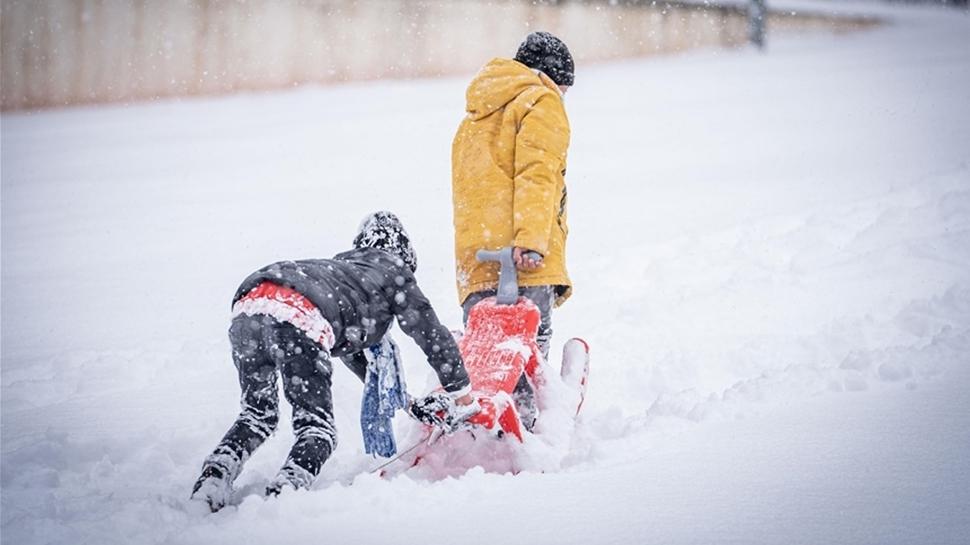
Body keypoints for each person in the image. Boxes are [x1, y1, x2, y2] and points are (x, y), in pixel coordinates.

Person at [191, 211, 476, 512]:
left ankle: (213, 480)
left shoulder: (343, 275)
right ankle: (284, 494)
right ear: (405, 255)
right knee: (318, 431)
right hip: (298, 314)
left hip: (250, 305)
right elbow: (431, 334)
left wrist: (409, 403)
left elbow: (360, 361)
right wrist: (463, 396)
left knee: (257, 415)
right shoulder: (393, 271)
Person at [451, 31, 575, 428]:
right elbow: (537, 175)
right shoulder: (541, 101)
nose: (563, 97)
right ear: (551, 76)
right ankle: (529, 426)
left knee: (488, 356)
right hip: (523, 254)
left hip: (475, 257)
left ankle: (487, 426)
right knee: (528, 347)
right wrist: (531, 240)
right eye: (565, 88)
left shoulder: (475, 115)